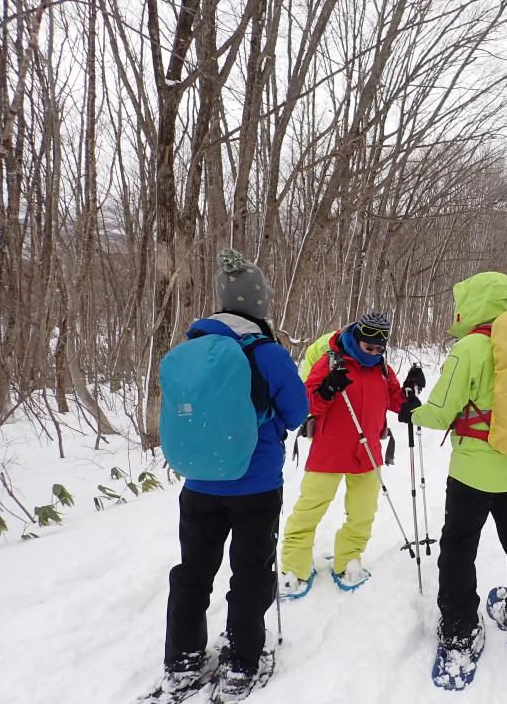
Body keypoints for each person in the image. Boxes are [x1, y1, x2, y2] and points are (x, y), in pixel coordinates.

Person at [157, 249, 308, 703]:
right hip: (256, 484)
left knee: (193, 572)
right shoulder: (268, 353)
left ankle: (181, 661)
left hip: (199, 484)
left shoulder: (189, 349)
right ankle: (242, 662)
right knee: (250, 572)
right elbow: (298, 411)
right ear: (260, 304)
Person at [401, 272, 507, 688]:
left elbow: (441, 411)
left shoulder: (472, 347)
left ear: (474, 303)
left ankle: (460, 630)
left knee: (460, 545)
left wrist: (411, 411)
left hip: (473, 471)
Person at [279, 312, 416, 594]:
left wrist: (410, 390)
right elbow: (306, 404)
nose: (374, 353)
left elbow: (396, 402)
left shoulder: (383, 369)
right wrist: (328, 389)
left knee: (362, 513)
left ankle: (349, 560)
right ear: (357, 340)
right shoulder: (330, 362)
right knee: (308, 511)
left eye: (380, 349)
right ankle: (295, 567)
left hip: (367, 453)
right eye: (370, 348)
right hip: (328, 451)